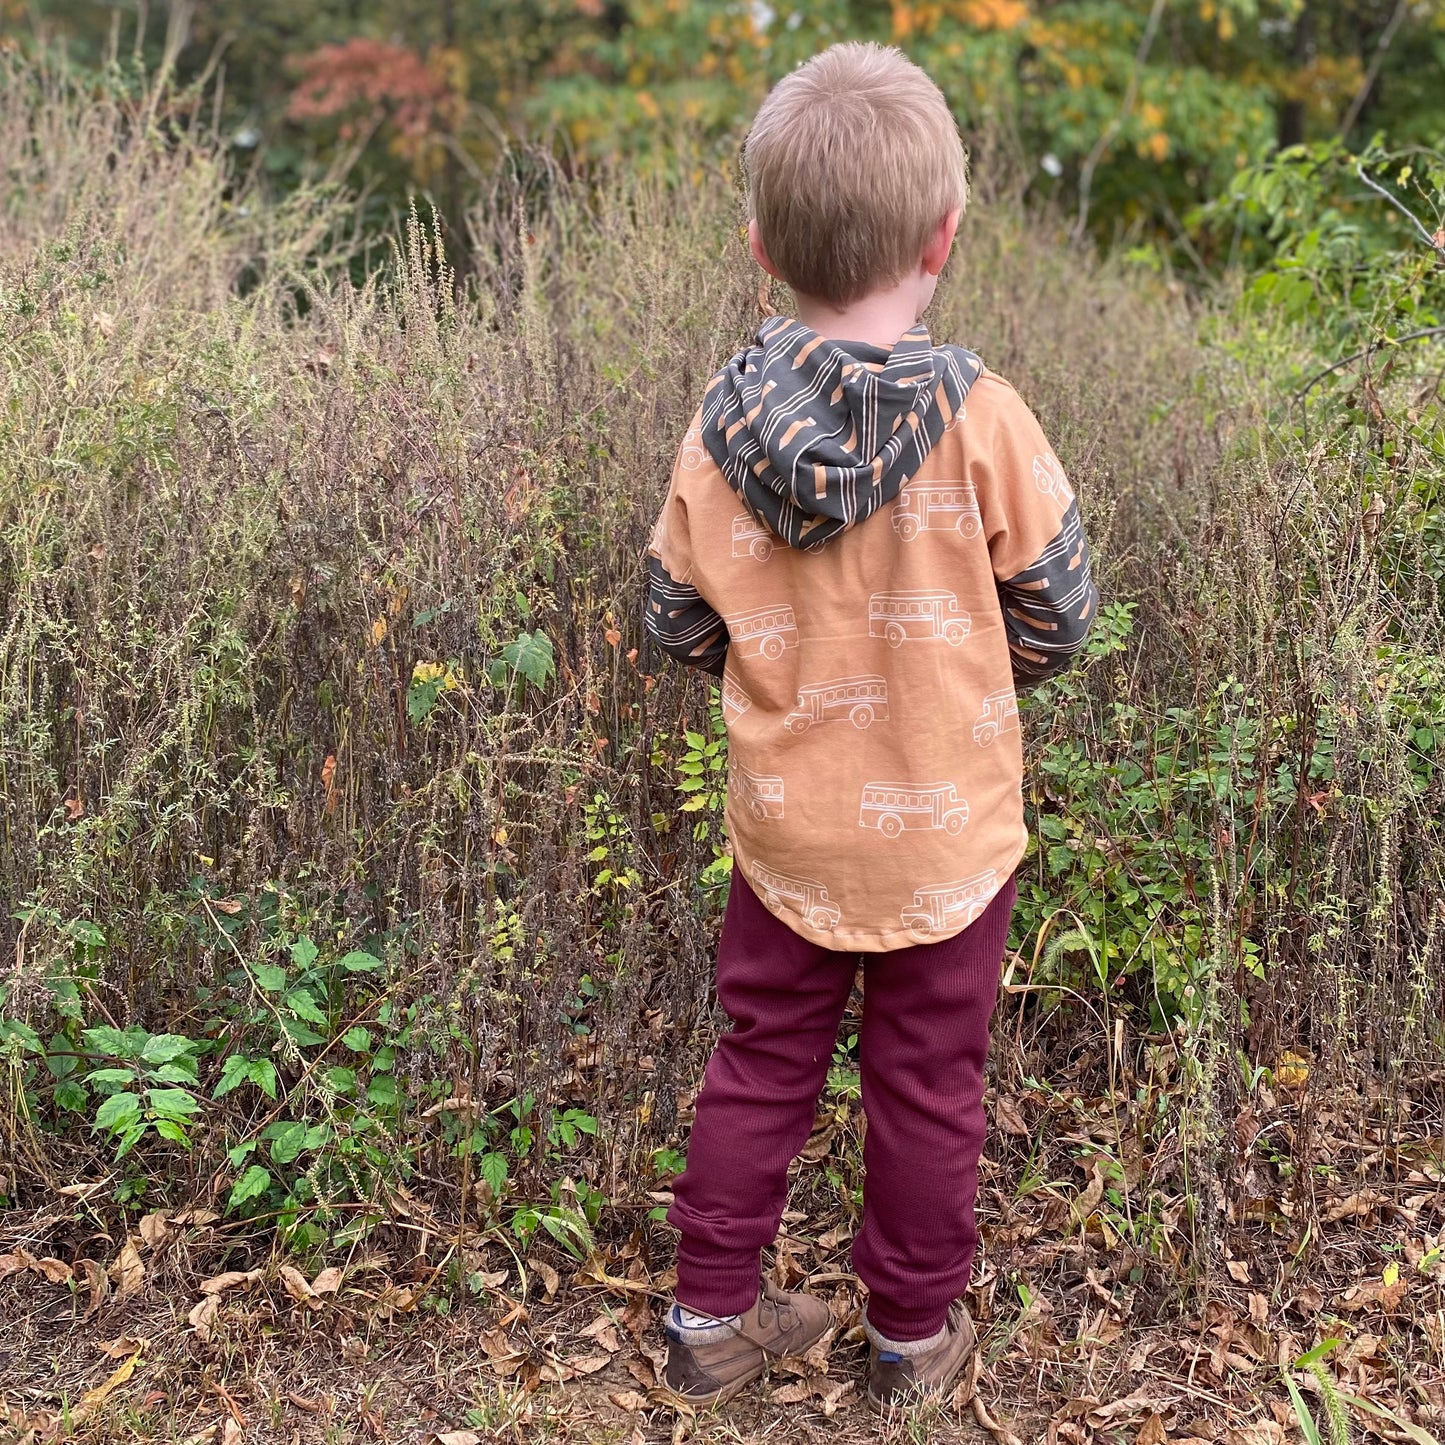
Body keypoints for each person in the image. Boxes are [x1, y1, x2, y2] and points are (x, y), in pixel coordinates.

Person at [642, 40, 1097, 1414]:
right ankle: (909, 1336)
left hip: (792, 830)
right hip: (945, 835)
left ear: (762, 247)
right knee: (927, 1082)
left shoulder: (720, 428)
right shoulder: (983, 420)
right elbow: (1061, 617)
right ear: (943, 235)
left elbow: (672, 621)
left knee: (761, 1058)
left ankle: (710, 1317)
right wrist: (960, 675)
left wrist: (779, 660)